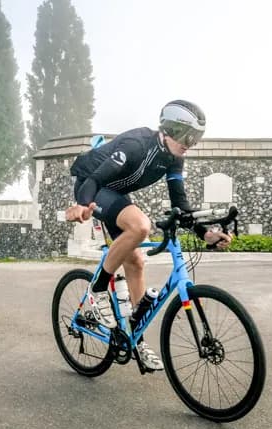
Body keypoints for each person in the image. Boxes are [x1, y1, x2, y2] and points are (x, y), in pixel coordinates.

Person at [65, 99, 232, 371]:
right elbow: (95, 180)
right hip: (92, 186)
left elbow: (181, 205)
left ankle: (136, 339)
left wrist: (205, 234)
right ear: (169, 129)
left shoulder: (174, 159)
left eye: (196, 138)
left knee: (137, 262)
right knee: (140, 226)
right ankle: (97, 291)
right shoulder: (137, 145)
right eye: (186, 135)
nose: (190, 142)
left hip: (115, 193)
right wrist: (83, 206)